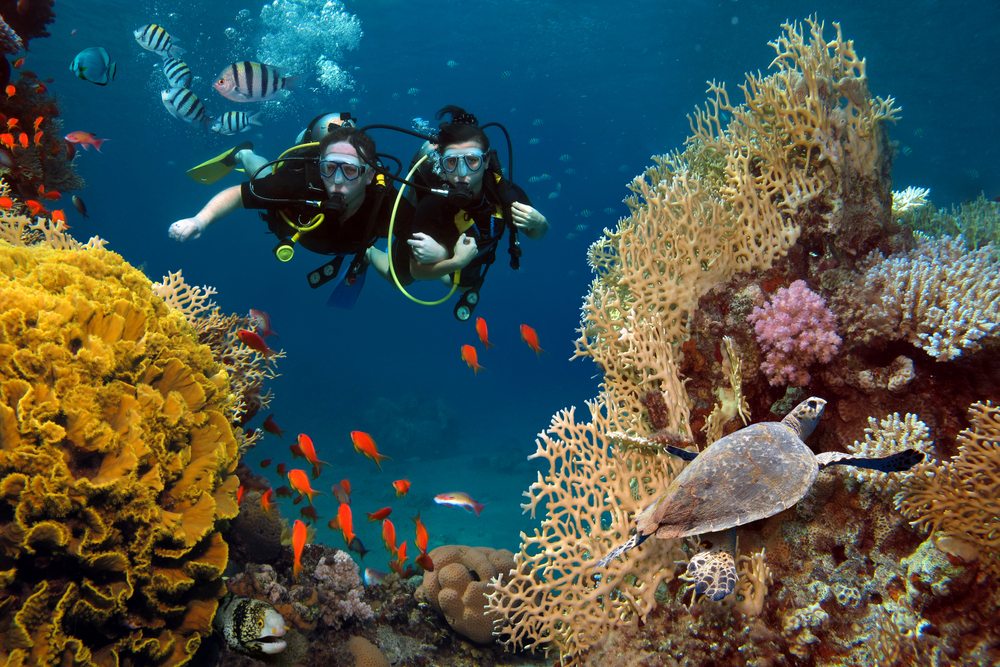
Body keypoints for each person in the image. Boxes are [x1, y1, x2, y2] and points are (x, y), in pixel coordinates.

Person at [169, 125, 415, 306]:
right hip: (292, 221)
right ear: (320, 165)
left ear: (370, 174)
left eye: (350, 170)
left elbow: (421, 235)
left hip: (352, 243)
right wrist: (200, 219)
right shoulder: (297, 184)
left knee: (403, 278)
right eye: (329, 168)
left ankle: (368, 253)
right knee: (264, 178)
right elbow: (238, 195)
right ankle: (244, 153)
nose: (337, 181)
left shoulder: (387, 202)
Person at [387, 105, 548, 320]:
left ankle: (446, 263)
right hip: (447, 254)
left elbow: (535, 233)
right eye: (452, 162)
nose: (462, 175)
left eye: (472, 161)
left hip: (471, 257)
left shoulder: (506, 194)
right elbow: (417, 271)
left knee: (463, 286)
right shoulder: (431, 204)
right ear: (442, 165)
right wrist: (454, 262)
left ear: (486, 161)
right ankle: (370, 254)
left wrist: (541, 223)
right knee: (401, 279)